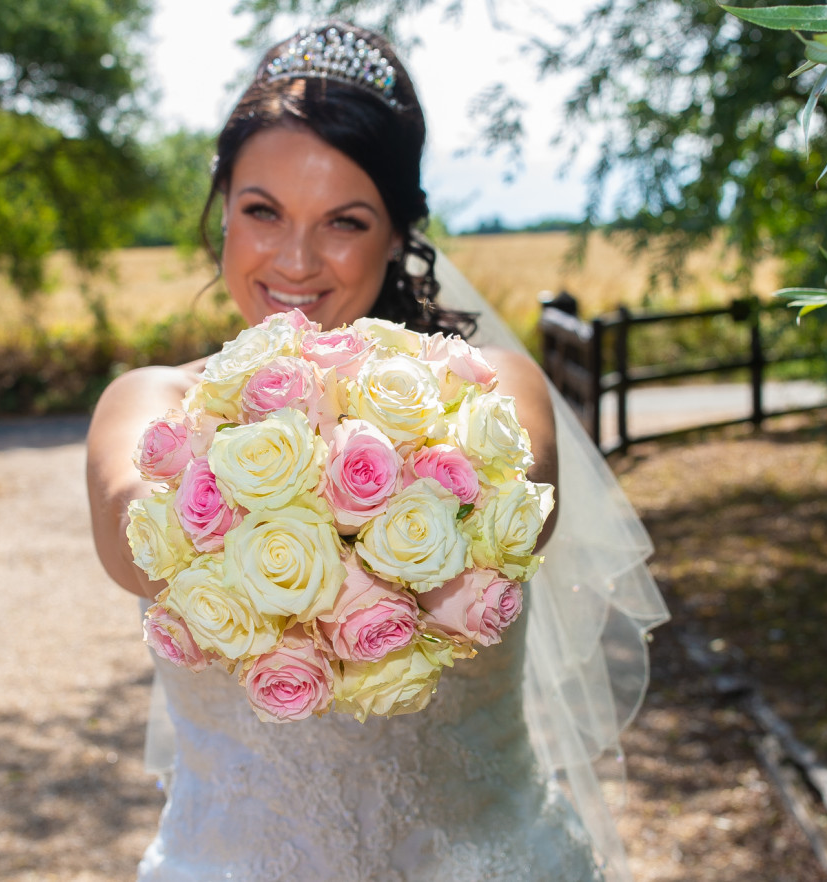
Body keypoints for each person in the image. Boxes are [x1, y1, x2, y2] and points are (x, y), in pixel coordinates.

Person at [86, 21, 669, 882]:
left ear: (397, 233)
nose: (295, 260)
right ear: (221, 211)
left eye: (344, 222)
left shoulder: (491, 391)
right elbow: (134, 543)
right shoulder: (152, 403)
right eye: (262, 211)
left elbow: (508, 523)